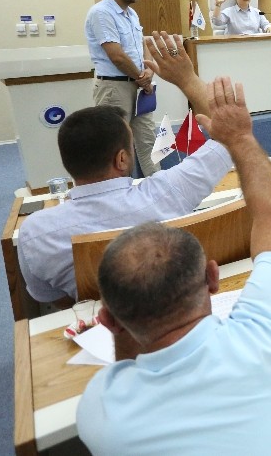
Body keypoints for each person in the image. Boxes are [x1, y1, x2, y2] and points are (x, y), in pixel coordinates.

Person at [77, 76, 271, 455]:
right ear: (212, 278)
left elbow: (124, 364)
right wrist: (241, 137)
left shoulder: (101, 408)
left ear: (108, 319)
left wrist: (121, 325)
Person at [17, 33, 232, 304]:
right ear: (121, 159)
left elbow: (49, 298)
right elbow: (231, 136)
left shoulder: (36, 232)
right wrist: (187, 79)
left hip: (101, 323)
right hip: (177, 307)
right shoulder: (166, 192)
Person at [85, 0, 160, 176]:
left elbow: (142, 44)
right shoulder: (101, 13)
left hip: (139, 86)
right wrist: (142, 78)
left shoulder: (131, 13)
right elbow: (116, 55)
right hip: (114, 88)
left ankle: (158, 186)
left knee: (148, 141)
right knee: (115, 146)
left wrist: (148, 69)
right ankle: (118, 191)